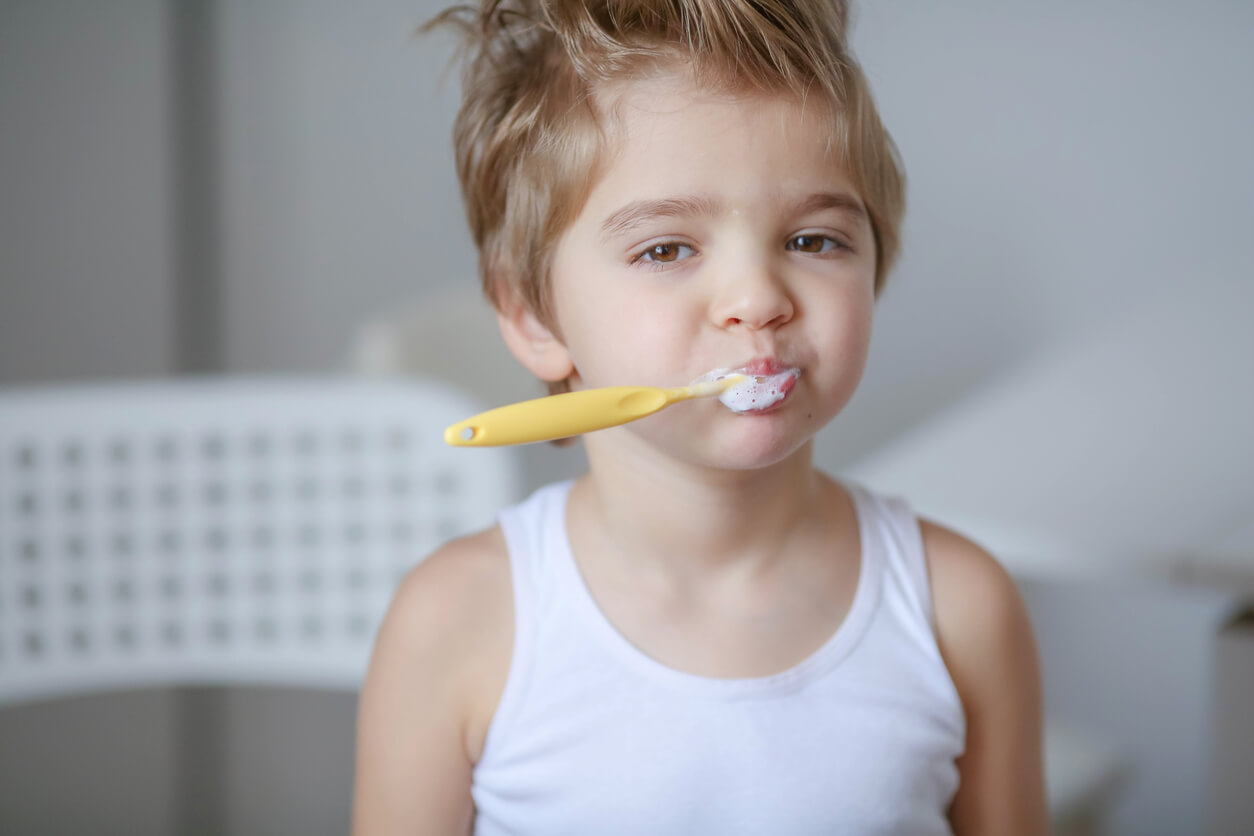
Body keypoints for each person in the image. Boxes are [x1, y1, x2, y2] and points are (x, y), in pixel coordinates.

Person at [352, 1, 1048, 833]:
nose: (758, 298)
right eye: (667, 249)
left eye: (815, 240)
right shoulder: (458, 622)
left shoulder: (960, 607)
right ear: (535, 316)